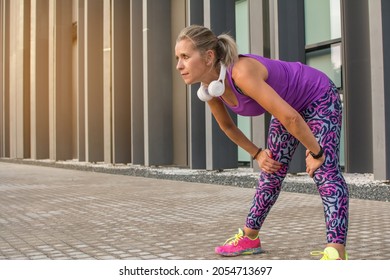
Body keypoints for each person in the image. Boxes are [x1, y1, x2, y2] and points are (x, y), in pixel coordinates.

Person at [175, 25, 349, 260]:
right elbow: (227, 126)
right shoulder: (210, 88)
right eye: (178, 58)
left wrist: (316, 152)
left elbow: (291, 118)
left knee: (324, 171)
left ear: (208, 57)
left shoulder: (242, 73)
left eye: (185, 56)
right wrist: (257, 153)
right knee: (271, 170)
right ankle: (250, 237)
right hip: (289, 110)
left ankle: (336, 252)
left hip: (317, 96)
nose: (179, 65)